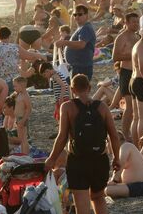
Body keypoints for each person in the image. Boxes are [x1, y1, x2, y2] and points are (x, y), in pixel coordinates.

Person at [44, 74, 120, 214]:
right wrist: (116, 158)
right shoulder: (102, 107)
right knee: (98, 198)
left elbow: (62, 137)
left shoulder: (67, 107)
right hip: (99, 160)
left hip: (78, 161)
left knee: (81, 203)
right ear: (89, 88)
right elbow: (114, 136)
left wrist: (51, 159)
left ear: (72, 89)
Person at [0, 27, 45, 92]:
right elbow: (29, 56)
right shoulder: (14, 47)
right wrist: (40, 55)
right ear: (9, 36)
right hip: (14, 81)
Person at [111, 12, 140, 142]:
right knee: (129, 106)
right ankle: (125, 133)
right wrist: (133, 56)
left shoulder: (137, 36)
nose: (136, 24)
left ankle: (133, 131)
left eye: (137, 21)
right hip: (126, 73)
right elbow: (115, 57)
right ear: (126, 23)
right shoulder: (121, 37)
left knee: (136, 105)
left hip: (137, 73)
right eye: (133, 22)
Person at [105, 131, 143, 198]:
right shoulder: (124, 148)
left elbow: (120, 165)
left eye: (107, 142)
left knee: (107, 190)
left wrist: (114, 180)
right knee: (100, 188)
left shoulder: (125, 146)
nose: (106, 145)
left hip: (139, 186)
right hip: (134, 185)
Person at [57, 5, 96, 80]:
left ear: (86, 15)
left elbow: (81, 44)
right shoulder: (81, 28)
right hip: (78, 66)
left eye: (80, 14)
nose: (77, 16)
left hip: (82, 67)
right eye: (75, 14)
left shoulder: (86, 28)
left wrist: (65, 42)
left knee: (79, 90)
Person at [11, 76, 31, 155]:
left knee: (24, 139)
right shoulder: (19, 94)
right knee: (21, 139)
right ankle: (23, 153)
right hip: (18, 118)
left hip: (22, 118)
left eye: (15, 86)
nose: (14, 87)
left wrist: (23, 120)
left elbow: (29, 109)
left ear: (22, 86)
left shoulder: (25, 96)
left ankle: (25, 154)